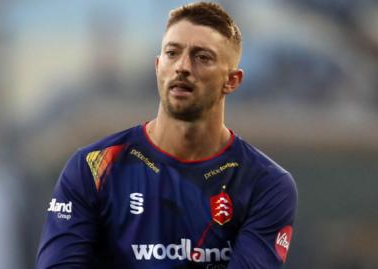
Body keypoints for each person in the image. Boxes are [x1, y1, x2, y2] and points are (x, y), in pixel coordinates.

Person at [36, 2, 298, 268]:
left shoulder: (266, 183)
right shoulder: (92, 167)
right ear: (158, 66)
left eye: (202, 57)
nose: (182, 66)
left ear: (232, 80)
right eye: (172, 53)